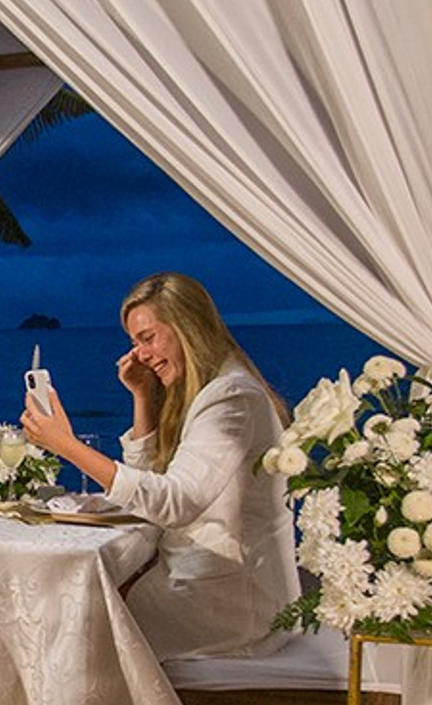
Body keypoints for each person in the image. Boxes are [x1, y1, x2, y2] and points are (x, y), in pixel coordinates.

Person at [19, 271, 300, 661]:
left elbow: (174, 503)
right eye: (134, 343)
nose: (141, 355)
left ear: (187, 327)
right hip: (207, 581)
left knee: (65, 630)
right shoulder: (210, 386)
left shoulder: (231, 400)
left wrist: (65, 445)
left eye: (148, 338)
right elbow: (154, 485)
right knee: (69, 614)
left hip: (231, 602)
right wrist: (142, 396)